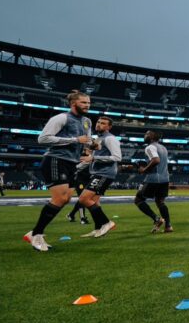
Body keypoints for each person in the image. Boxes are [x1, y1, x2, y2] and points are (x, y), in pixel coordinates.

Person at [23, 91, 93, 251]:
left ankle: (35, 233)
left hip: (72, 163)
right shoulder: (61, 118)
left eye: (88, 103)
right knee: (60, 198)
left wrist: (91, 147)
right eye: (83, 103)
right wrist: (75, 140)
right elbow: (43, 138)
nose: (87, 105)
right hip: (56, 159)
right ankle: (36, 234)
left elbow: (86, 142)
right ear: (73, 103)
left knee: (66, 198)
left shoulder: (87, 121)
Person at [78, 116, 121, 238]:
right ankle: (98, 229)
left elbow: (117, 157)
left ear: (109, 127)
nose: (99, 124)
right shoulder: (99, 139)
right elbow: (91, 156)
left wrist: (94, 158)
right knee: (95, 201)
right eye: (98, 122)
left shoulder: (110, 139)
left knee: (83, 199)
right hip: (98, 172)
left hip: (105, 173)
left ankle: (107, 223)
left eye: (103, 123)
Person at [133, 130, 173, 233]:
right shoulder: (163, 147)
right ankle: (168, 226)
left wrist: (144, 170)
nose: (144, 135)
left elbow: (156, 160)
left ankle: (157, 219)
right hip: (165, 178)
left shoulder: (150, 147)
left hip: (154, 178)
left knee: (138, 200)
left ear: (152, 136)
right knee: (160, 202)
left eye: (147, 134)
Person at [66, 148, 92, 225]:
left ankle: (71, 214)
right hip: (80, 181)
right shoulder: (81, 157)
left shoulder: (92, 157)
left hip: (87, 180)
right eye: (89, 149)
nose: (91, 150)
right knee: (82, 199)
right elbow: (76, 167)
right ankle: (82, 218)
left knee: (84, 198)